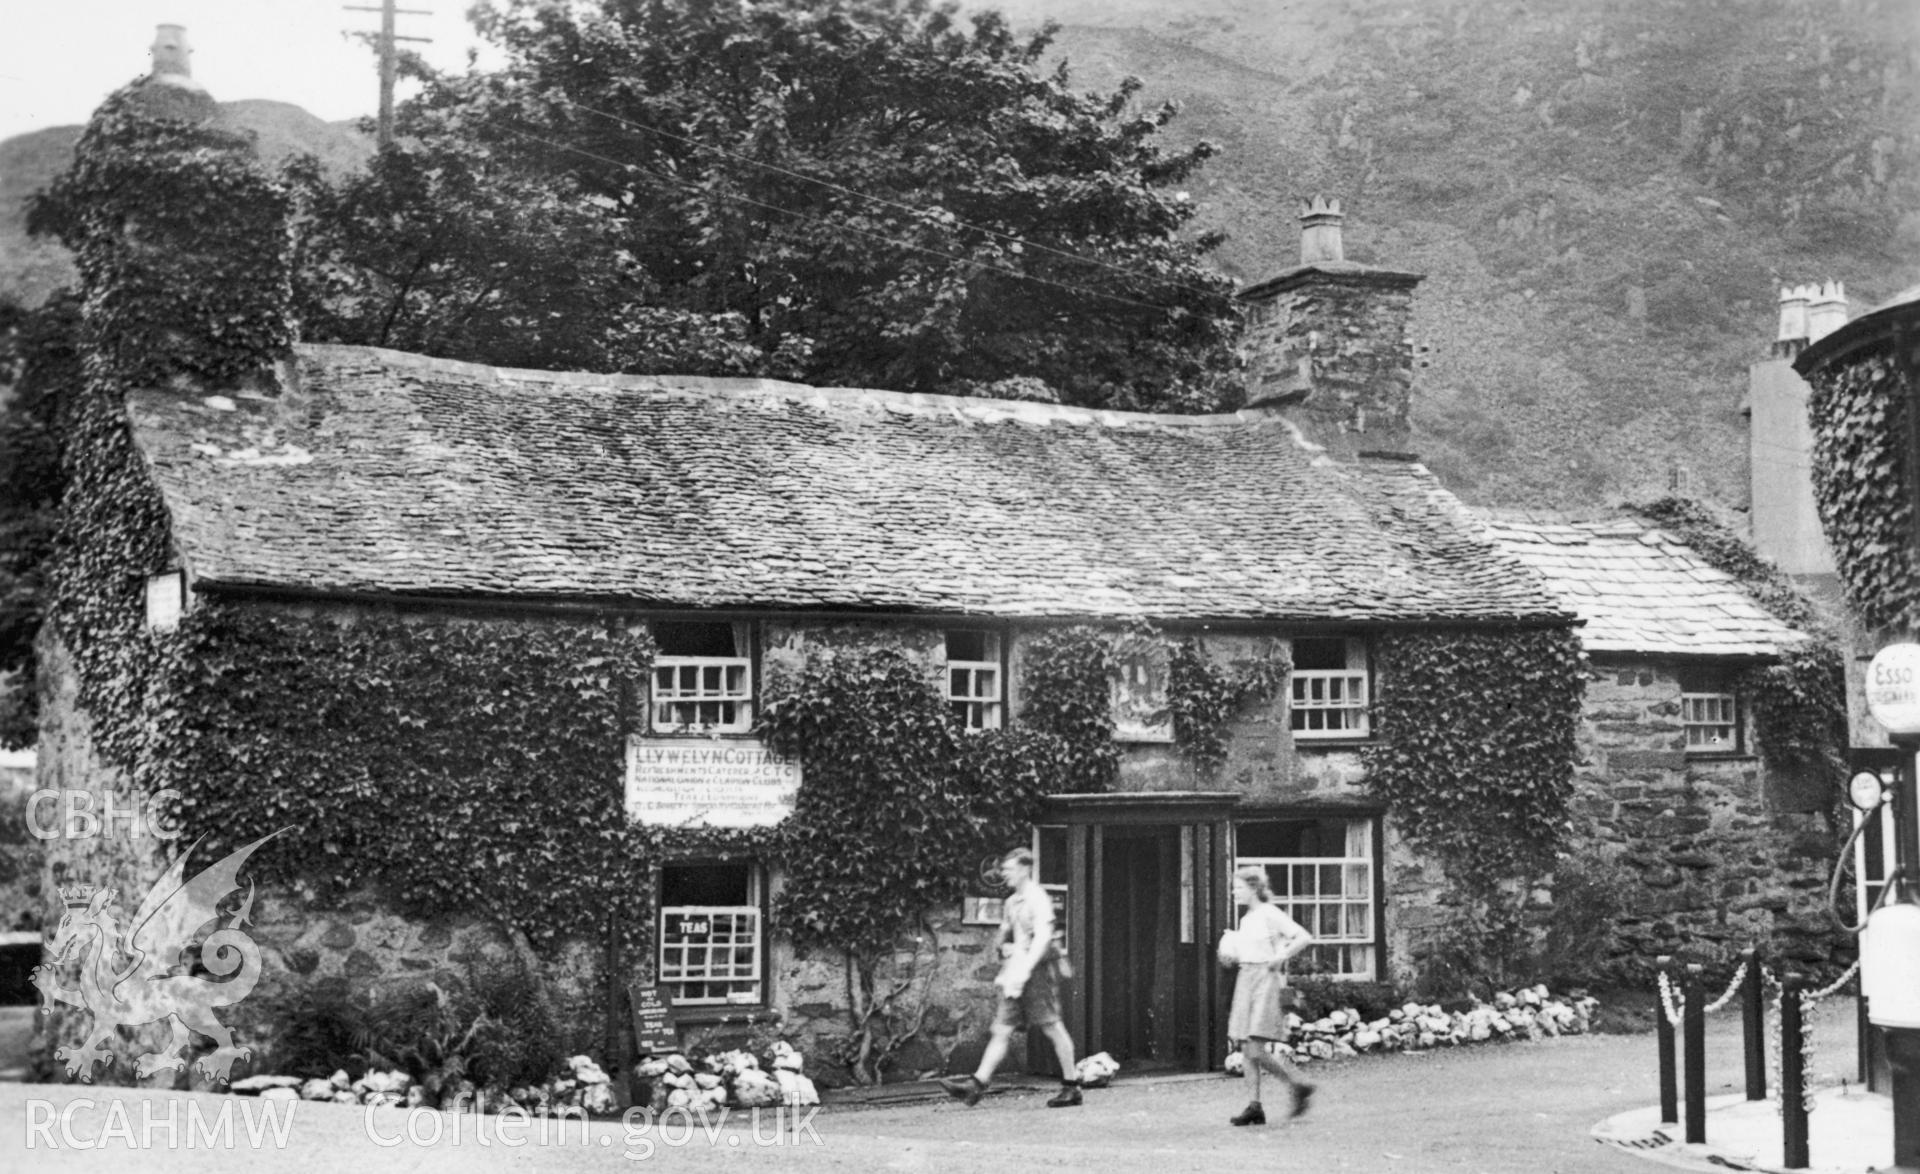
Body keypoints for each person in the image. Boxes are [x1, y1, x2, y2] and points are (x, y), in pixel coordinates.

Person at [940, 847, 1083, 1108]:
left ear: (1025, 869)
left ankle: (1071, 1086)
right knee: (1002, 1028)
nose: (1005, 874)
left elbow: (1042, 938)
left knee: (1052, 1026)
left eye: (1010, 869)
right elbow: (1008, 935)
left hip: (1036, 971)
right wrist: (1004, 946)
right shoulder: (1011, 901)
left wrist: (1026, 967)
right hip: (1017, 971)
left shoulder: (1037, 898)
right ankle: (976, 1085)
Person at [1223, 864, 1315, 1126]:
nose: (1234, 893)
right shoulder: (1246, 919)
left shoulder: (1269, 913)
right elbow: (1242, 952)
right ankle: (1254, 1106)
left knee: (1255, 1046)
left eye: (1238, 888)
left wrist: (1281, 956)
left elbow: (1302, 936)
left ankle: (1299, 1084)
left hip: (1265, 979)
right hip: (1246, 977)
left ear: (1253, 888)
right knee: (1245, 1045)